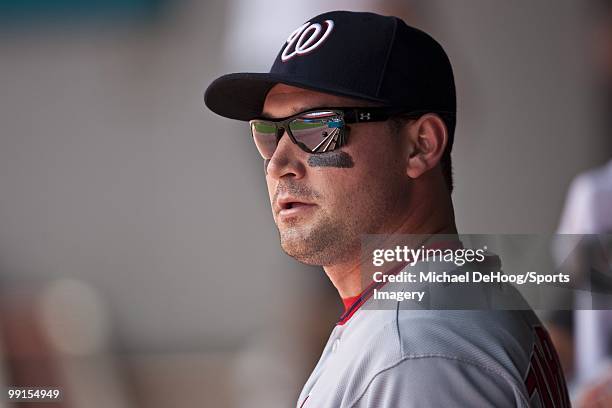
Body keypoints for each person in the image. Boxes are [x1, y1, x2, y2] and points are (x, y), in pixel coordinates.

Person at [205, 10, 570, 407]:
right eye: (269, 132)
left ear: (421, 145)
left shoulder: (416, 354)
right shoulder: (432, 306)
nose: (278, 164)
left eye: (319, 128)